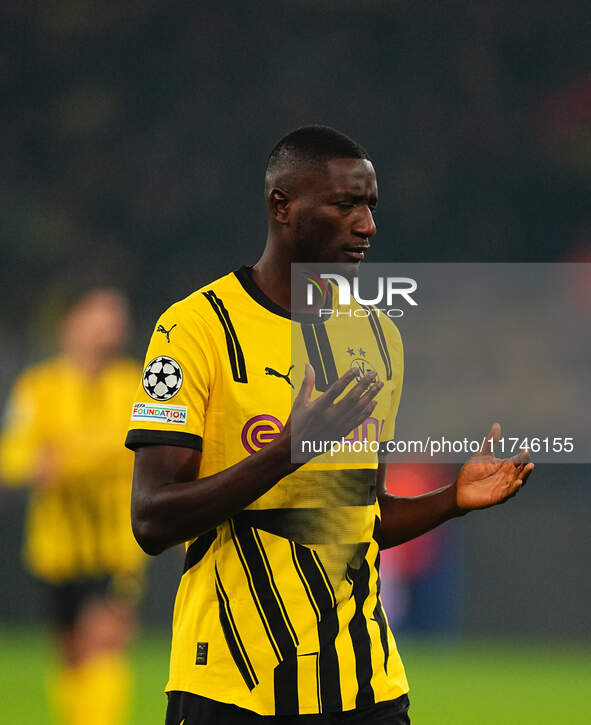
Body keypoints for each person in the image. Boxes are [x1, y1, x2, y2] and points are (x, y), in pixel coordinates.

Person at [126, 126, 534, 724]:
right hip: (234, 687)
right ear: (281, 205)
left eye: (370, 206)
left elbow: (358, 518)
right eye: (346, 204)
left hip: (365, 687)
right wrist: (289, 450)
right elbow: (151, 519)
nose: (367, 224)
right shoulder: (195, 329)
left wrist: (452, 500)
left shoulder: (378, 336)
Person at [0, 288, 145, 725]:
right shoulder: (39, 387)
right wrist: (35, 462)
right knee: (71, 657)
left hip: (115, 548)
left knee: (104, 642)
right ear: (71, 323)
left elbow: (141, 450)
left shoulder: (135, 384)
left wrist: (70, 455)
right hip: (56, 549)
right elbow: (12, 455)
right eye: (99, 316)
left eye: (116, 319)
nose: (109, 328)